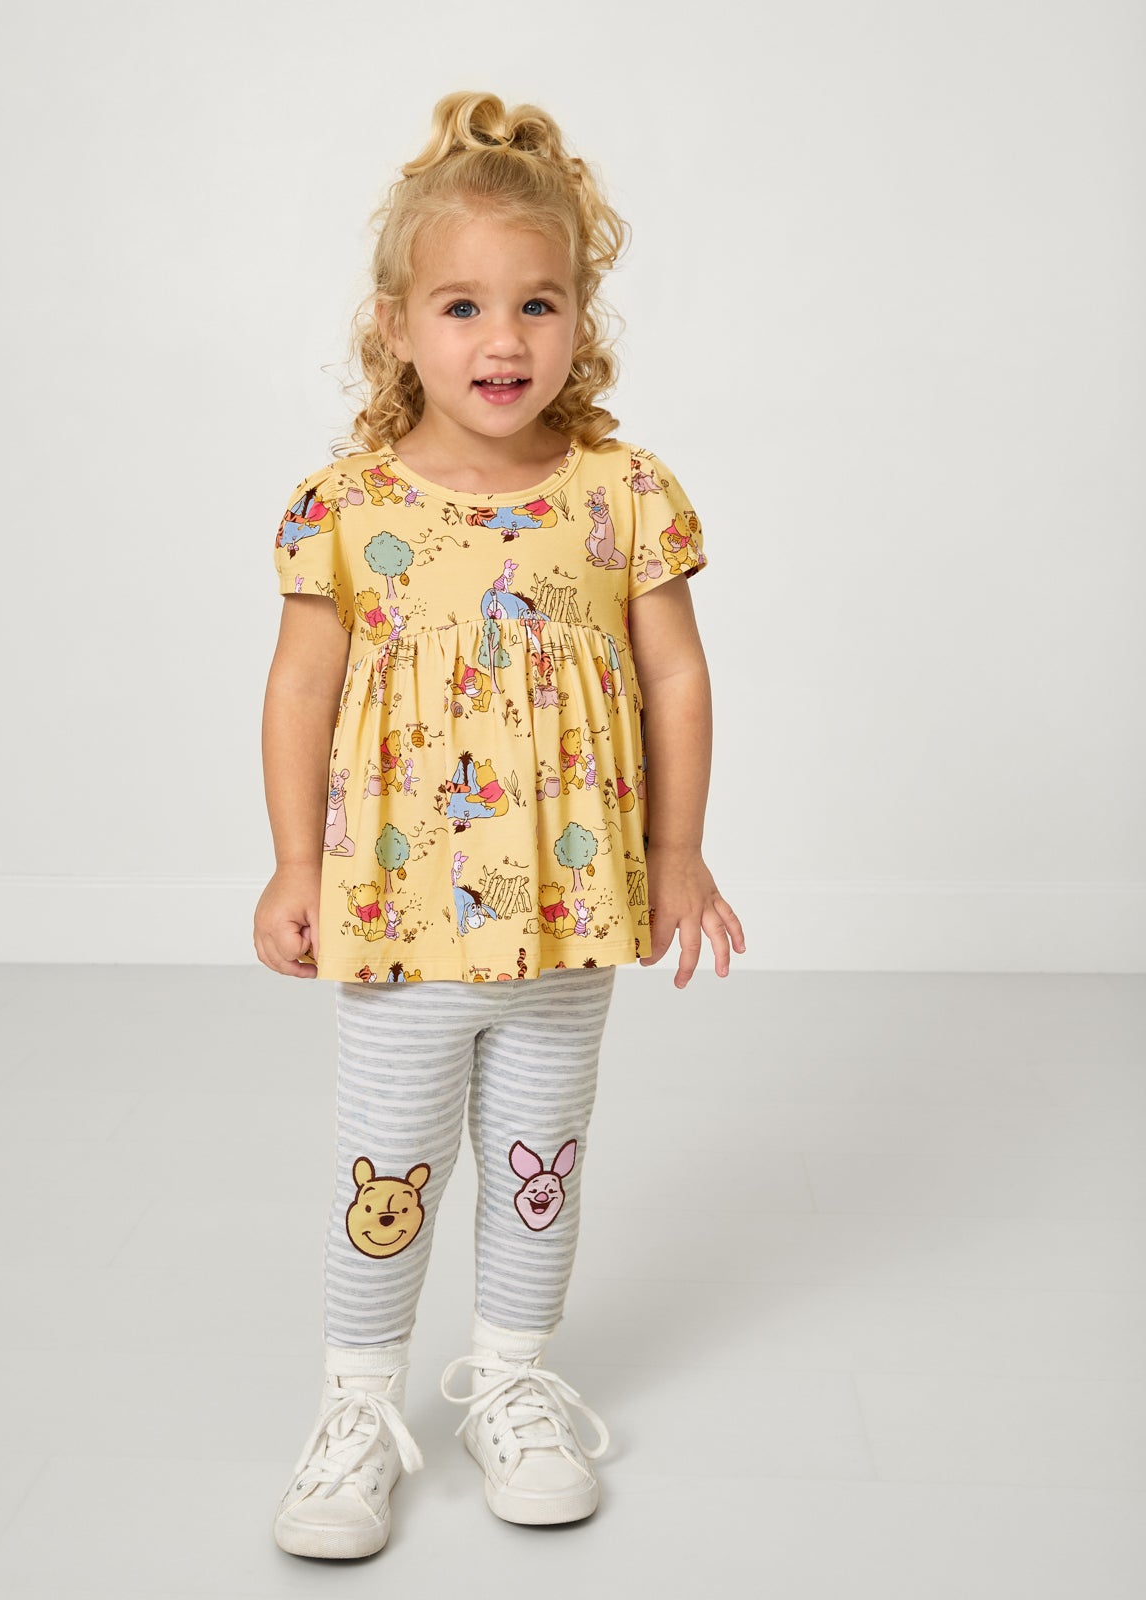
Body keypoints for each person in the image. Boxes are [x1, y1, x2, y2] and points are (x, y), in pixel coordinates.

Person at [254, 89, 746, 1561]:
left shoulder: (622, 495)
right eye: (462, 305)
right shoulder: (346, 507)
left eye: (538, 302)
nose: (503, 338)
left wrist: (676, 853)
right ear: (396, 326)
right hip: (401, 917)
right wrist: (291, 864)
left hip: (569, 917)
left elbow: (676, 675)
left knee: (541, 1162)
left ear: (581, 319)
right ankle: (357, 1410)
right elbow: (299, 689)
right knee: (392, 1168)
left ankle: (513, 1386)